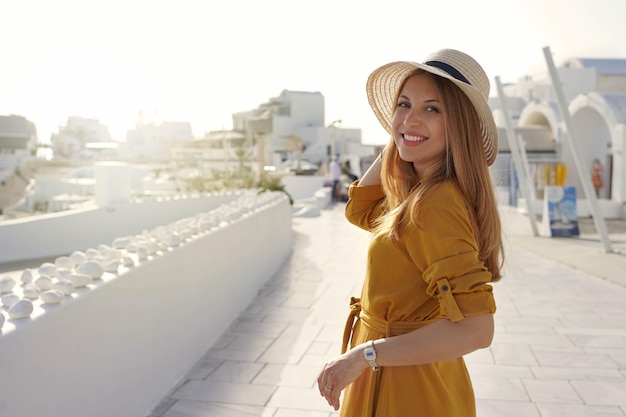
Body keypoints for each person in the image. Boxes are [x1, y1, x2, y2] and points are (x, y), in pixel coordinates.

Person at [317, 49, 505, 416]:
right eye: (404, 104)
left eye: (433, 108)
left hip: (404, 391)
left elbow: (476, 329)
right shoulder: (420, 194)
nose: (412, 117)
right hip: (406, 376)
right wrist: (406, 133)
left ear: (459, 127)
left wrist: (364, 354)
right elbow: (361, 209)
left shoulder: (435, 204)